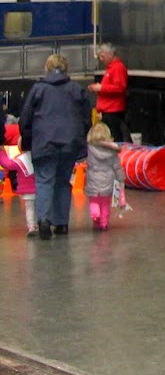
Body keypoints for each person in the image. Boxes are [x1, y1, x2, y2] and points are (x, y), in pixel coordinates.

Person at [19, 53, 91, 239]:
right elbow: (86, 118)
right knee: (62, 181)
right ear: (66, 69)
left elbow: (25, 118)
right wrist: (80, 140)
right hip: (70, 144)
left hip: (44, 143)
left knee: (44, 181)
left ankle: (43, 220)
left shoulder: (38, 89)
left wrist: (27, 142)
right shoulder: (76, 89)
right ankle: (62, 224)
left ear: (47, 68)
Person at [83, 122, 124, 233]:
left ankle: (95, 214)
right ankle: (104, 224)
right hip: (108, 180)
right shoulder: (112, 151)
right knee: (105, 204)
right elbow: (117, 167)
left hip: (93, 178)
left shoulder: (89, 149)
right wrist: (121, 180)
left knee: (93, 200)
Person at [0, 122, 38, 235]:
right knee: (40, 207)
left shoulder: (20, 159)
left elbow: (8, 164)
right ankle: (42, 223)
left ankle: (32, 226)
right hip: (41, 189)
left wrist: (1, 152)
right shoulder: (40, 158)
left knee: (29, 209)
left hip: (27, 190)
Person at [90, 42, 129, 142]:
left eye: (102, 56)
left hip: (113, 110)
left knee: (115, 136)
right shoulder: (111, 68)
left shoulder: (117, 68)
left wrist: (101, 88)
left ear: (110, 54)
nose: (101, 59)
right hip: (108, 110)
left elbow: (120, 87)